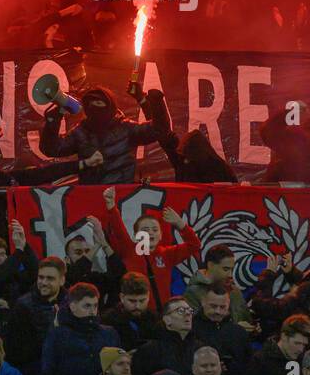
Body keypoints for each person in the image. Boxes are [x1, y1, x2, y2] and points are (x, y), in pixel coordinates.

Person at [38, 86, 169, 184]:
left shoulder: (125, 128)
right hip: (91, 197)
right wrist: (53, 120)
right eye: (90, 105)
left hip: (122, 195)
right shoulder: (81, 131)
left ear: (109, 106)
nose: (94, 108)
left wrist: (155, 102)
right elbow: (52, 149)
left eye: (99, 103)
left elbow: (158, 130)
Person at [101, 185, 200, 311]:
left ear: (160, 235)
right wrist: (111, 205)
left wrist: (180, 224)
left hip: (161, 316)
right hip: (136, 313)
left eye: (154, 230)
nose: (151, 233)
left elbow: (194, 245)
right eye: (145, 230)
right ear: (137, 235)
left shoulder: (167, 254)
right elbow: (119, 230)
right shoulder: (130, 250)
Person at [40, 282, 119, 375]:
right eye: (87, 306)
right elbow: (48, 370)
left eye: (95, 306)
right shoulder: (58, 336)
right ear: (73, 306)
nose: (92, 311)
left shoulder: (109, 333)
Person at [5, 256, 66, 375]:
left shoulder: (71, 303)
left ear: (62, 280)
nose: (43, 282)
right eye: (41, 277)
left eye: (50, 278)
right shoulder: (23, 306)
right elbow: (15, 349)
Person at [132, 295, 205, 375]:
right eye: (180, 311)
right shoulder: (150, 350)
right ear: (167, 319)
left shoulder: (200, 349)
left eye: (190, 310)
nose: (188, 314)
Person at [190, 284, 253, 375]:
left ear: (228, 306)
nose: (218, 311)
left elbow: (248, 365)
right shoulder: (190, 329)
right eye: (213, 306)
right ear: (203, 302)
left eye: (222, 307)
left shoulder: (239, 332)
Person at [182, 244, 251, 324]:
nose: (230, 275)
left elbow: (246, 318)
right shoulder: (192, 293)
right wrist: (235, 330)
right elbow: (196, 327)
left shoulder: (234, 291)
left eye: (231, 269)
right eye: (225, 269)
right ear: (210, 265)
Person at [101, 271, 165, 350]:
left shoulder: (156, 319)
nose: (137, 306)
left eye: (142, 301)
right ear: (122, 297)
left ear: (148, 296)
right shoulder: (109, 320)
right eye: (132, 301)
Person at [245, 313, 310, 375]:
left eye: (304, 345)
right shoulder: (261, 362)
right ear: (284, 336)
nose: (301, 349)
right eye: (297, 343)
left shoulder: (304, 361)